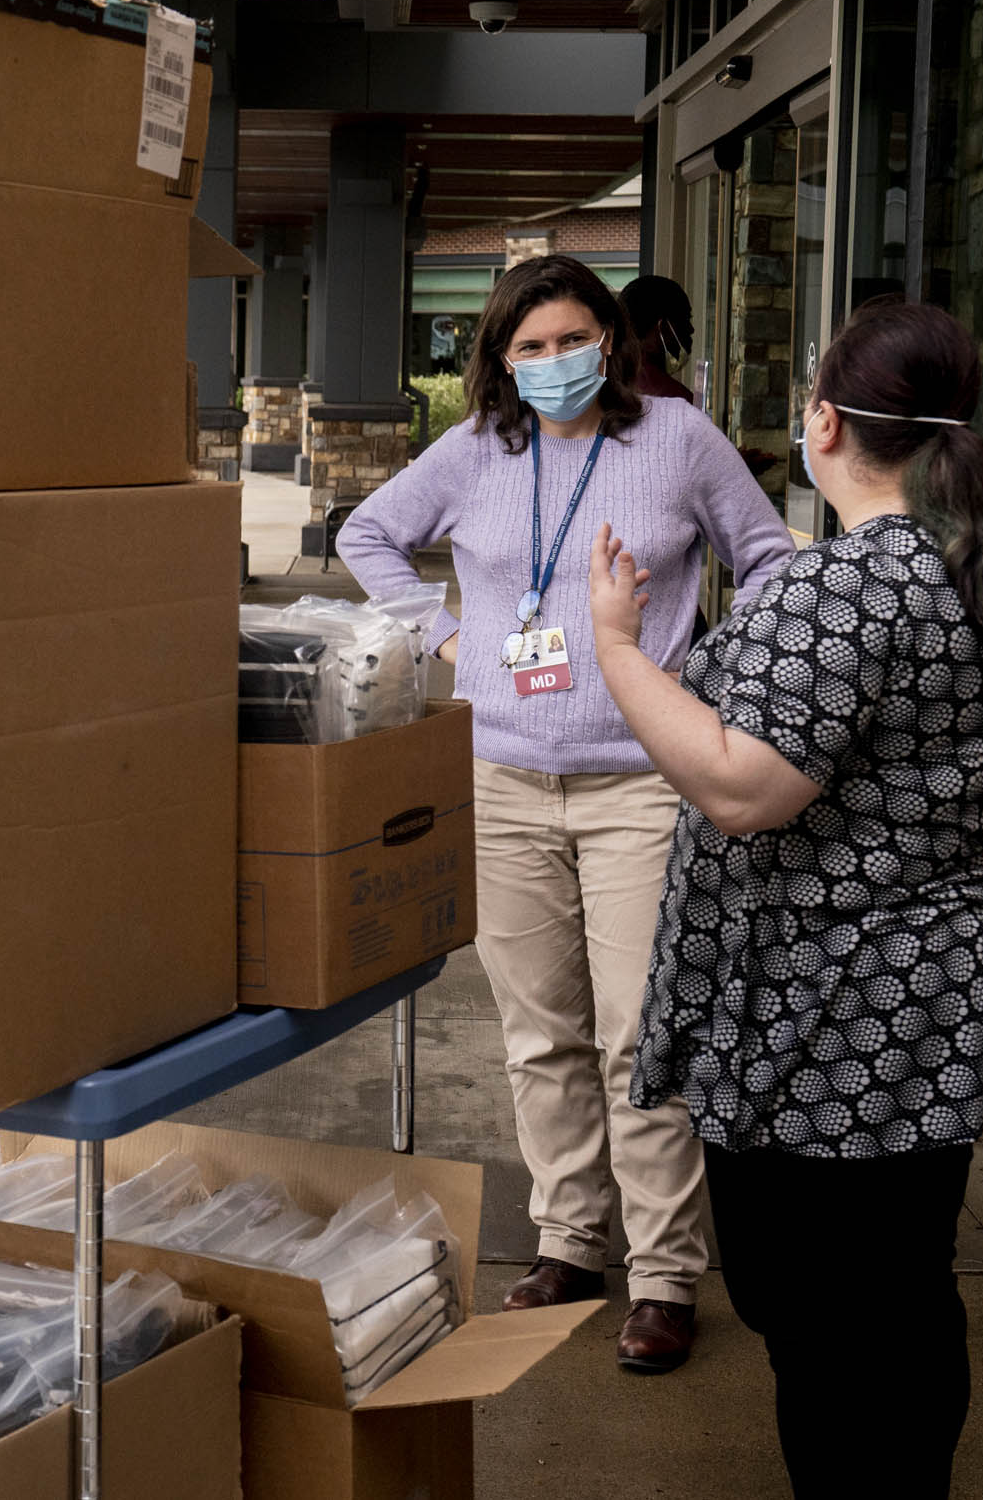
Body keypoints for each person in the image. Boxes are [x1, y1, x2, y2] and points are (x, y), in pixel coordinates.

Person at [587, 299, 983, 1497]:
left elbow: (741, 786)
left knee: (820, 1309)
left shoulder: (862, 578)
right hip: (929, 997)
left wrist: (616, 645)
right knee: (895, 1291)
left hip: (837, 1009)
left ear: (822, 421)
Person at [338, 254, 794, 1373]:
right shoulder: (476, 451)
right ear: (499, 358)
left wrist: (710, 679)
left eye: (570, 338)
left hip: (640, 782)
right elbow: (367, 536)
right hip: (500, 780)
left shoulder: (676, 442)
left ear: (611, 337)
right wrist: (448, 638)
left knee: (639, 1032)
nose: (552, 363)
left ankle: (664, 1273)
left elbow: (772, 555)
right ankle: (568, 1240)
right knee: (539, 1032)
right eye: (528, 346)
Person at [619, 274, 697, 406]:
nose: (691, 329)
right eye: (685, 320)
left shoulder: (610, 385)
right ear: (664, 328)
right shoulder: (679, 402)